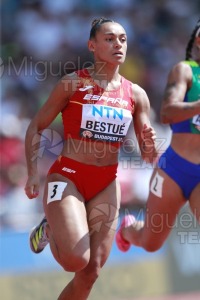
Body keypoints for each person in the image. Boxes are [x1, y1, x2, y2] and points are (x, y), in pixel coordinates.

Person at [25, 17, 157, 300]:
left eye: (122, 39)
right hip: (68, 176)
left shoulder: (136, 94)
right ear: (92, 46)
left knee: (91, 272)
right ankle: (50, 228)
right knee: (76, 260)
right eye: (109, 39)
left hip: (106, 183)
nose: (117, 44)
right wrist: (32, 172)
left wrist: (150, 147)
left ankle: (55, 227)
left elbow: (147, 152)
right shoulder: (72, 84)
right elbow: (37, 125)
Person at [116, 18, 200, 253]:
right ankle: (128, 229)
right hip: (174, 169)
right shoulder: (185, 71)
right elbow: (167, 113)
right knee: (151, 243)